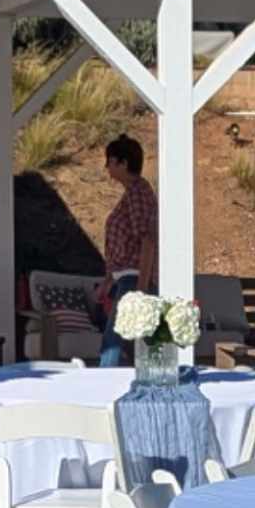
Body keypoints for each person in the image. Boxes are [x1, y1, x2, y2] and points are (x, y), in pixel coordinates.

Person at [92, 134, 156, 362]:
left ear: (123, 163)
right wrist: (108, 281)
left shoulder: (139, 193)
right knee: (121, 343)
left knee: (113, 343)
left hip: (133, 280)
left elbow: (148, 239)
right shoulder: (131, 194)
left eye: (110, 161)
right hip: (124, 280)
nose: (106, 167)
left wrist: (141, 288)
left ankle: (105, 387)